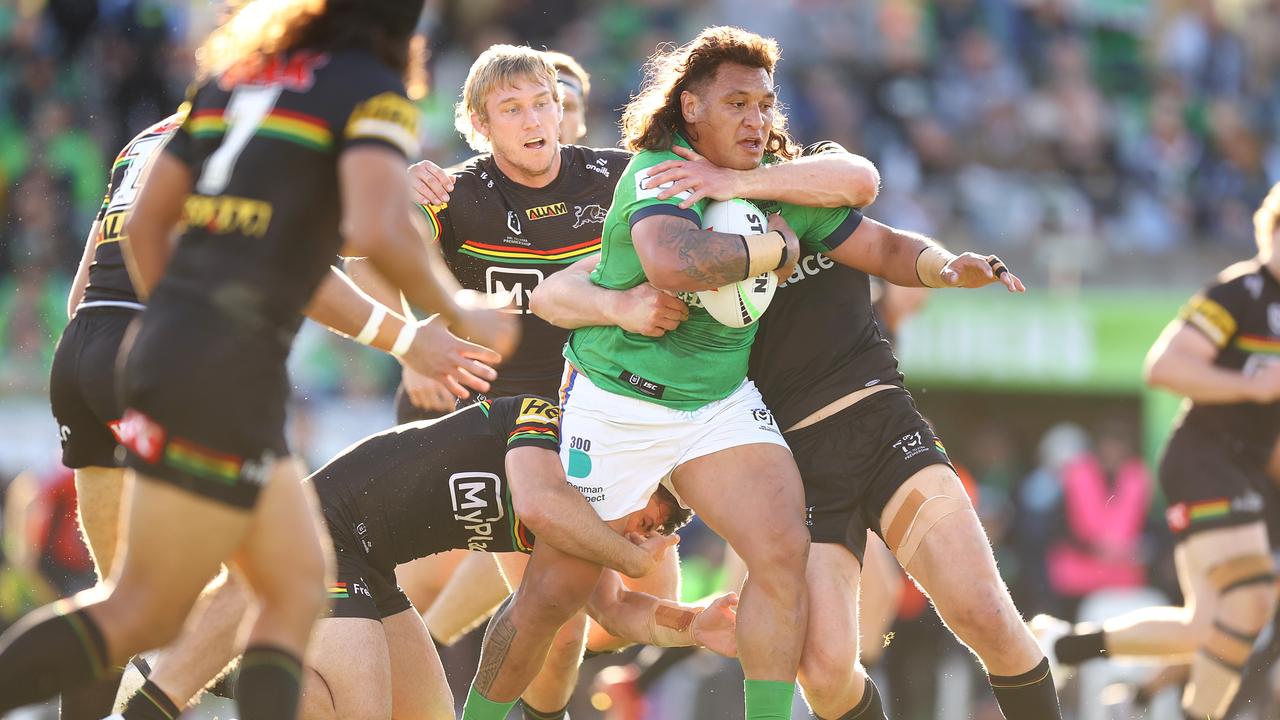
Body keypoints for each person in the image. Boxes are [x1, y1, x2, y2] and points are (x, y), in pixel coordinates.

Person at [0, 2, 516, 719]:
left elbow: (139, 231)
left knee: (215, 592)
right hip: (214, 365)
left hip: (113, 349)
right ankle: (150, 706)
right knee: (221, 597)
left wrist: (169, 335)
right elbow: (368, 230)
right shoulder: (368, 88)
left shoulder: (222, 90)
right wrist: (448, 313)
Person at [459, 27, 891, 720]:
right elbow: (672, 264)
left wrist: (747, 185)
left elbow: (863, 181)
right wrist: (773, 246)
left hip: (717, 405)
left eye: (765, 104)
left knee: (782, 551)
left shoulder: (764, 167)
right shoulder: (657, 167)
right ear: (691, 107)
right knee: (552, 600)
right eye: (737, 103)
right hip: (613, 408)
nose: (756, 119)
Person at [297, 394, 737, 719]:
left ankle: (257, 668)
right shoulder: (549, 427)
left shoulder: (585, 522)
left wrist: (695, 625)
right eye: (645, 522)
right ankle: (258, 672)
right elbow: (535, 504)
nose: (635, 536)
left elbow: (615, 608)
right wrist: (630, 558)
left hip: (369, 563)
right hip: (320, 532)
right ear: (636, 477)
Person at [1036, 181, 1280, 720]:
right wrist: (1254, 383)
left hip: (1248, 474)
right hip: (1206, 458)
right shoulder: (1241, 293)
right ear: (1272, 233)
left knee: (1208, 626)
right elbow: (1163, 366)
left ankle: (1065, 646)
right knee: (1253, 595)